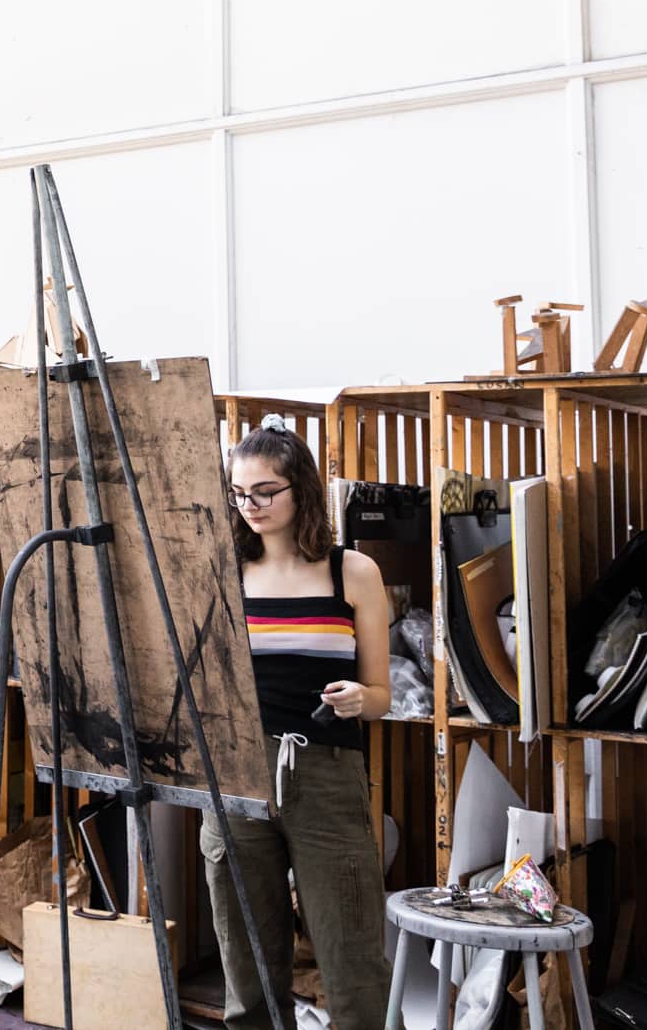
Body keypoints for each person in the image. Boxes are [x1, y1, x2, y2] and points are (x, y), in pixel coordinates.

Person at [201, 421, 393, 1030]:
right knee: (248, 957)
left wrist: (360, 697)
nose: (250, 506)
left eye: (265, 491)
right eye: (238, 493)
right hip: (236, 775)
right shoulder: (223, 572)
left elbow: (384, 694)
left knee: (351, 950)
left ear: (301, 490)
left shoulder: (353, 573)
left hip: (327, 774)